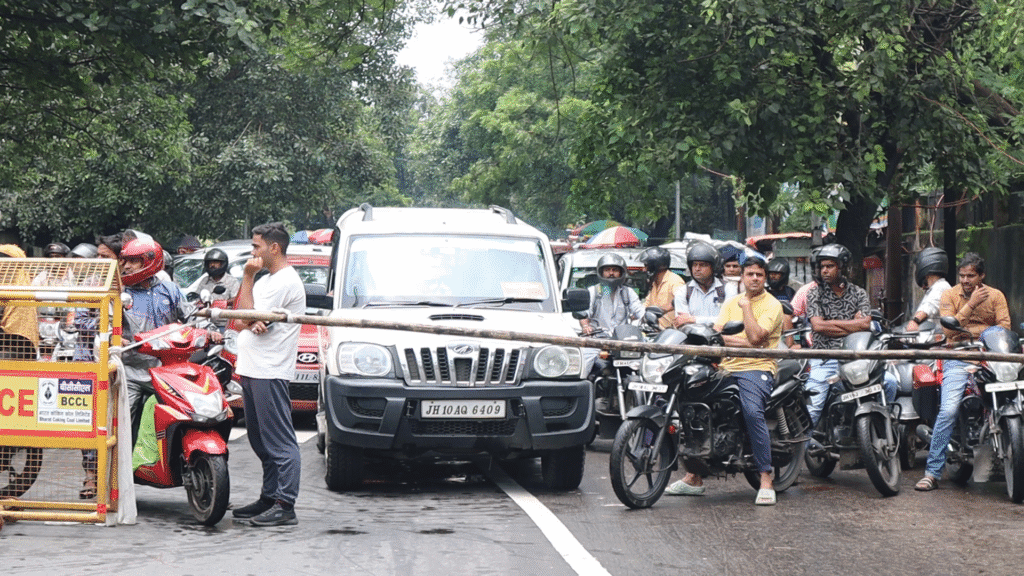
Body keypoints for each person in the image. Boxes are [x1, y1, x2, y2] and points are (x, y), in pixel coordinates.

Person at [665, 252, 784, 505]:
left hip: (758, 367)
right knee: (695, 404)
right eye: (749, 274)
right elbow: (718, 335)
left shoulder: (771, 305)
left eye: (759, 275)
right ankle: (694, 476)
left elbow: (756, 338)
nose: (754, 278)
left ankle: (765, 478)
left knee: (752, 411)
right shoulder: (731, 302)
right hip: (727, 366)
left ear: (765, 278)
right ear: (741, 277)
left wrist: (747, 310)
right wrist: (740, 340)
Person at [916, 252, 1010, 491]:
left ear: (982, 276)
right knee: (947, 411)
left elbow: (1004, 329)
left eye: (971, 276)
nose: (966, 280)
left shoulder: (996, 295)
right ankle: (932, 473)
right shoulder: (949, 295)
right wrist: (971, 305)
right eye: (962, 275)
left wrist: (975, 331)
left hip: (990, 359)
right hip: (957, 357)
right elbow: (949, 332)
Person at [230, 222, 305, 527]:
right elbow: (238, 319)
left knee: (280, 442)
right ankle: (269, 496)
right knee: (260, 441)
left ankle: (285, 504)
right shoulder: (265, 281)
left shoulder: (284, 281)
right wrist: (248, 319)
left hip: (269, 370)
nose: (252, 253)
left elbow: (246, 315)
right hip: (252, 368)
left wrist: (247, 277)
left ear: (274, 248)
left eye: (256, 246)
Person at [119, 239, 193, 438]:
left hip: (166, 369)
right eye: (124, 261)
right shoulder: (119, 293)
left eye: (133, 261)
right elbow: (107, 325)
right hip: (131, 370)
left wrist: (209, 330)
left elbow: (191, 316)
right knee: (122, 425)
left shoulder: (170, 290)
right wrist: (115, 338)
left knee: (186, 411)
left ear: (150, 261)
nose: (126, 266)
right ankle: (122, 467)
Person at [804, 244, 879, 430]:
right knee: (811, 411)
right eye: (822, 267)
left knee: (891, 385)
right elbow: (818, 326)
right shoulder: (814, 294)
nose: (824, 270)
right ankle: (801, 454)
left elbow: (865, 325)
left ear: (842, 267)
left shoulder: (859, 293)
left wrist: (831, 324)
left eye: (829, 266)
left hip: (856, 359)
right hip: (824, 359)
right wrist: (852, 325)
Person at [578, 253, 644, 387]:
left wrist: (646, 318)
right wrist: (586, 326)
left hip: (622, 341)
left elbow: (639, 311)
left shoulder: (627, 292)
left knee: (644, 365)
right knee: (583, 364)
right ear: (601, 272)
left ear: (621, 272)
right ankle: (585, 389)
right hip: (597, 340)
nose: (611, 274)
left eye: (615, 270)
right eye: (607, 270)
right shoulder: (594, 292)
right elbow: (584, 313)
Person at [673, 242, 727, 328]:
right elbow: (682, 322)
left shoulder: (727, 289)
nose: (697, 269)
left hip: (720, 339)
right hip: (691, 340)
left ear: (713, 267)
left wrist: (694, 320)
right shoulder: (682, 291)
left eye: (703, 265)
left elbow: (728, 320)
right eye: (694, 265)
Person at [905, 247, 952, 333]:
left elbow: (929, 307)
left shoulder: (941, 286)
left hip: (936, 339)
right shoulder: (934, 287)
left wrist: (914, 321)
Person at [638, 246, 686, 329]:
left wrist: (663, 310)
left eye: (646, 266)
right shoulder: (655, 283)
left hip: (671, 332)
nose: (644, 269)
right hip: (654, 330)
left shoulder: (675, 281)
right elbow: (646, 306)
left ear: (655, 266)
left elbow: (682, 299)